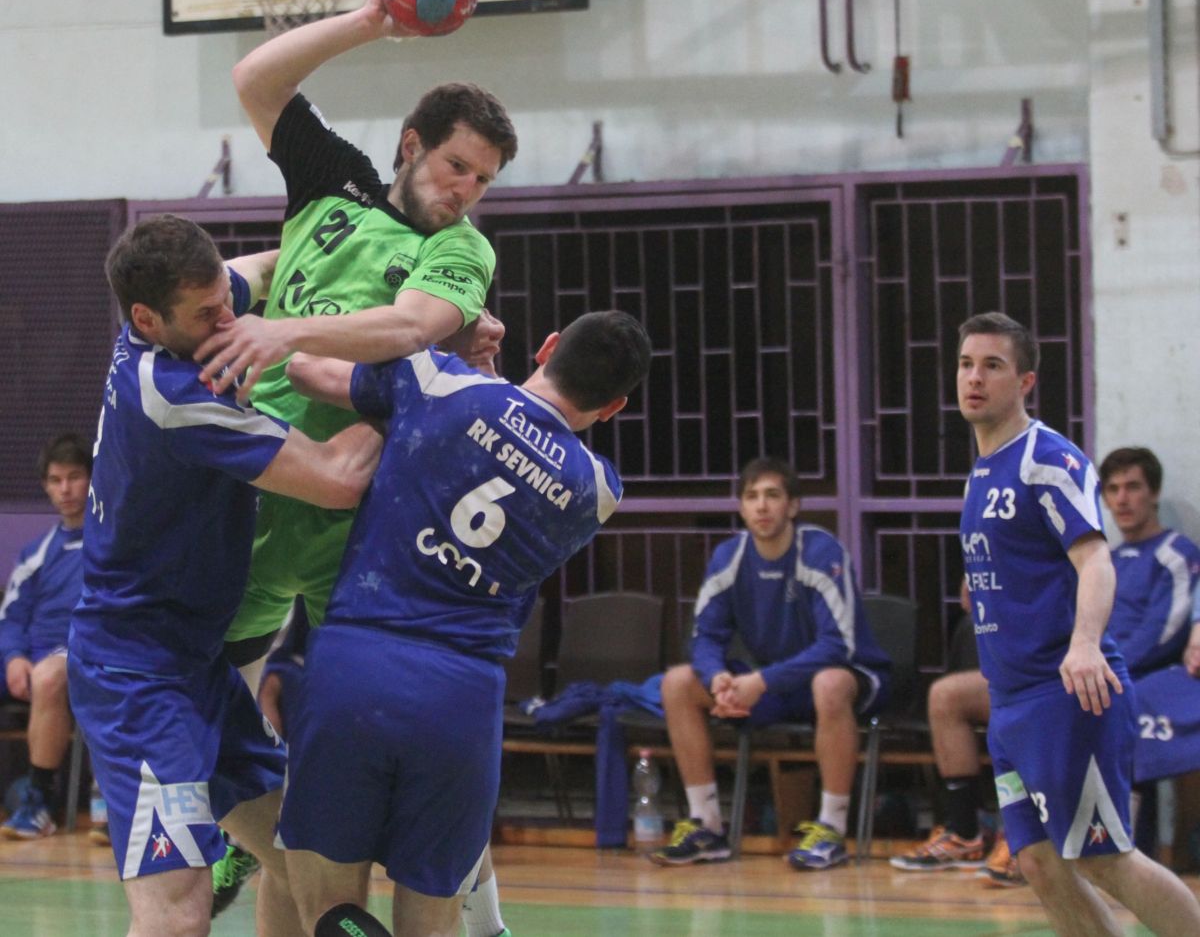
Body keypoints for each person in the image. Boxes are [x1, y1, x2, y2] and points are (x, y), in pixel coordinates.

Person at [197, 0, 518, 929]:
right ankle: (248, 838)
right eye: (456, 166)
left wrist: (282, 330)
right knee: (211, 735)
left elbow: (413, 325)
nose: (464, 191)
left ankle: (487, 921)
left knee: (398, 768)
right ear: (413, 145)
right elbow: (255, 78)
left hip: (359, 522)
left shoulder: (463, 252)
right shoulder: (333, 180)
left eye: (483, 180)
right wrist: (373, 20)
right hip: (256, 491)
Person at [277, 309, 651, 937]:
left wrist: (433, 338)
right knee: (433, 925)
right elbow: (517, 438)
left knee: (326, 909)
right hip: (462, 700)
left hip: (356, 667)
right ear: (613, 407)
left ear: (548, 346)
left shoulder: (438, 382)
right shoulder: (598, 489)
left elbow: (305, 369)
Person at [66, 214, 381, 937]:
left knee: (302, 854)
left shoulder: (185, 312)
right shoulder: (176, 396)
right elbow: (337, 479)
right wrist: (410, 384)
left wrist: (356, 244)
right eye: (208, 314)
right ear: (147, 319)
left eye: (223, 300)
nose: (228, 320)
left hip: (195, 666)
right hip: (137, 682)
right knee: (178, 916)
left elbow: (265, 268)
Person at [954, 310, 1200, 937]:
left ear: (1025, 381)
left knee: (1103, 857)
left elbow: (1096, 561)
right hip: (1009, 703)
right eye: (966, 364)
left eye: (992, 365)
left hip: (1064, 695)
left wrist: (1085, 643)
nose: (974, 377)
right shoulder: (981, 471)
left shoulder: (1049, 459)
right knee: (1039, 862)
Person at [891, 444, 1200, 885]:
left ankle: (1042, 840)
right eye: (1113, 489)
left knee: (1058, 719)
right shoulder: (1097, 554)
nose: (1122, 499)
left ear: (1153, 493)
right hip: (1056, 671)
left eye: (1133, 487)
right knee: (947, 696)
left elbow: (1163, 632)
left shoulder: (1172, 553)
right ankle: (966, 832)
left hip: (1109, 675)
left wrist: (1096, 661)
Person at [648, 457, 892, 871]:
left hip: (850, 677)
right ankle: (706, 826)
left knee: (829, 684)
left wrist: (761, 682)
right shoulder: (729, 557)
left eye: (773, 495)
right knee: (678, 683)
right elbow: (705, 636)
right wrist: (718, 678)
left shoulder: (821, 551)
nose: (761, 506)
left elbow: (838, 645)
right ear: (741, 508)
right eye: (752, 497)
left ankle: (831, 830)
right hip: (773, 684)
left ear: (793, 506)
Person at [0, 433, 91, 841]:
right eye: (56, 480)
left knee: (49, 676)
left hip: (82, 655)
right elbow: (11, 616)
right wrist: (13, 657)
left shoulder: (113, 544)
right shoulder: (36, 553)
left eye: (74, 477)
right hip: (32, 657)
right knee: (40, 672)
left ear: (92, 480)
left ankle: (37, 802)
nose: (65, 489)